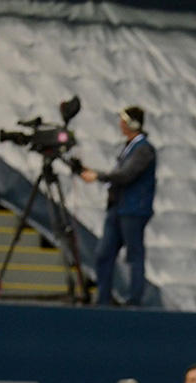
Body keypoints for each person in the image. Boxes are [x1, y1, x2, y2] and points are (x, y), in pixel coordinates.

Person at [80, 105, 156, 306]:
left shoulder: (143, 150)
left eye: (124, 121)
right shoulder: (130, 148)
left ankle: (134, 300)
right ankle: (103, 299)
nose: (121, 125)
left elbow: (126, 175)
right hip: (118, 207)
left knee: (134, 255)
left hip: (133, 209)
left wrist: (98, 176)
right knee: (104, 253)